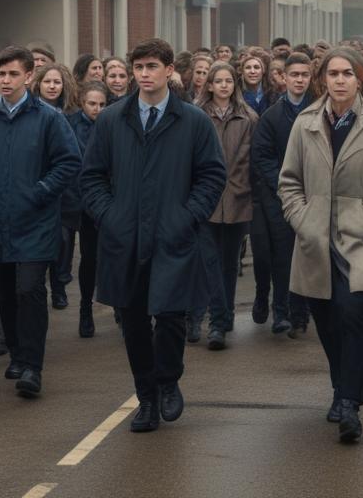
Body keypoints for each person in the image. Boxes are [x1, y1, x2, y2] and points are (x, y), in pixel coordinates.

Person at [80, 39, 226, 433]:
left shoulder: (192, 121)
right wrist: (109, 216)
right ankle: (145, 396)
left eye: (151, 66)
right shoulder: (112, 119)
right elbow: (92, 175)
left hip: (173, 235)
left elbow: (212, 175)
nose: (144, 74)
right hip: (124, 237)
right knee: (133, 319)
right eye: (138, 67)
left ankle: (168, 380)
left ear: (167, 71)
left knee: (171, 315)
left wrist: (188, 216)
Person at [279, 47, 363, 443]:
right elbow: (289, 181)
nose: (339, 80)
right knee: (326, 318)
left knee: (353, 315)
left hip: (360, 239)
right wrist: (302, 218)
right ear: (323, 80)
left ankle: (350, 402)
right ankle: (340, 385)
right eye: (332, 73)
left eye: (346, 74)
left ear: (360, 79)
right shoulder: (305, 124)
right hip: (315, 237)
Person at [0, 46, 82, 398]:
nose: (5, 81)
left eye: (13, 74)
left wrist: (40, 191)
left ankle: (32, 366)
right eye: (0, 74)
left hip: (36, 221)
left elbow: (69, 163)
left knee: (29, 289)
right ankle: (15, 352)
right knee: (7, 294)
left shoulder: (48, 118)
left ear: (29, 76)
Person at [192, 61, 257, 350]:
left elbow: (251, 159)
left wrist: (243, 187)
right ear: (209, 85)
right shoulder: (196, 116)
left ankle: (226, 313)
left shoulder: (248, 117)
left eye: (228, 81)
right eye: (218, 81)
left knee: (230, 262)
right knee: (209, 262)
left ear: (235, 84)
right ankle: (216, 322)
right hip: (204, 199)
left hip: (236, 198)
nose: (223, 86)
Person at [251, 52, 315, 337]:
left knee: (309, 255)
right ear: (284, 78)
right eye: (294, 75)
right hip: (280, 198)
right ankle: (282, 312)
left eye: (304, 75)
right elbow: (262, 157)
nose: (299, 79)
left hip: (314, 196)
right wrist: (285, 186)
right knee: (282, 256)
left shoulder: (320, 111)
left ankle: (303, 312)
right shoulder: (271, 117)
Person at [31, 62, 80, 310]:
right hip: (38, 187)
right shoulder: (30, 113)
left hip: (66, 192)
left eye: (57, 82)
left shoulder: (71, 115)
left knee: (63, 242)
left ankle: (59, 286)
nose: (52, 86)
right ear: (38, 84)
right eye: (47, 81)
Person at [70, 81, 108, 337]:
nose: (97, 109)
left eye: (102, 104)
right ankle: (85, 308)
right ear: (82, 102)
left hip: (110, 199)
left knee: (115, 256)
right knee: (90, 257)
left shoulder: (113, 123)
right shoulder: (71, 124)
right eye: (92, 104)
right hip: (84, 202)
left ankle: (119, 306)